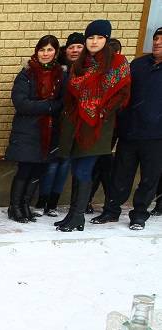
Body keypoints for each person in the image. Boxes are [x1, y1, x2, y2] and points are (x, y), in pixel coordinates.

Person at [54, 20, 130, 232]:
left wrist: (101, 110)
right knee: (77, 168)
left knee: (84, 169)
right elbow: (73, 92)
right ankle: (73, 214)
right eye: (91, 37)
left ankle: (78, 215)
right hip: (77, 124)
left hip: (98, 126)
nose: (94, 41)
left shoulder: (117, 62)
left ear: (106, 39)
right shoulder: (81, 63)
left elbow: (122, 94)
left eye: (99, 37)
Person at [91, 27, 162, 230]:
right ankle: (111, 210)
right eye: (155, 38)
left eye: (161, 40)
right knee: (120, 174)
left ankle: (139, 214)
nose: (157, 42)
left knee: (149, 177)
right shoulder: (138, 65)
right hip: (130, 131)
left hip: (157, 136)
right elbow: (121, 92)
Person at [4, 35, 63, 223]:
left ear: (56, 52)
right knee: (25, 169)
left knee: (38, 170)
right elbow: (21, 103)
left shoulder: (59, 75)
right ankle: (15, 207)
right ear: (37, 51)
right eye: (42, 49)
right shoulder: (26, 74)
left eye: (50, 50)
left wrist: (50, 106)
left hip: (48, 132)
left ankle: (25, 205)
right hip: (27, 131)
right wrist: (48, 106)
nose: (45, 53)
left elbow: (63, 102)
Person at [37, 32, 84, 217]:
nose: (75, 50)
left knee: (66, 164)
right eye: (71, 47)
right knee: (54, 163)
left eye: (79, 47)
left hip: (80, 123)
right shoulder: (60, 70)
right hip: (58, 122)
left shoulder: (88, 68)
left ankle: (54, 203)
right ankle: (43, 201)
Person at [86, 37, 123, 214]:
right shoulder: (95, 72)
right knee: (98, 165)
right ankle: (91, 200)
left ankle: (109, 203)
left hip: (113, 128)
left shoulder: (122, 74)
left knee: (104, 165)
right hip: (96, 126)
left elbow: (122, 100)